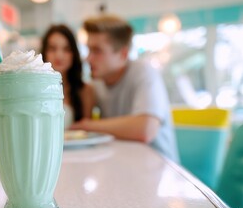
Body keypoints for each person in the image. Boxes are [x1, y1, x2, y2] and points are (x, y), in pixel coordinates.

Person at [70, 15, 179, 162]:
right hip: (124, 165)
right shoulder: (98, 83)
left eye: (97, 51)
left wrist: (87, 125)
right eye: (88, 50)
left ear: (123, 54)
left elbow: (146, 129)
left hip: (161, 170)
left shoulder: (144, 71)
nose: (88, 58)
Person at [42, 24, 95, 128]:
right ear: (44, 52)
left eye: (66, 49)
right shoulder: (35, 89)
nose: (59, 55)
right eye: (52, 48)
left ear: (74, 54)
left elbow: (86, 130)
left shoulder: (85, 91)